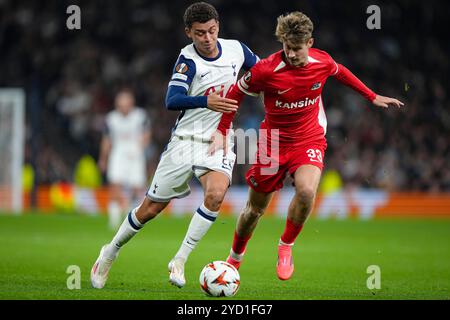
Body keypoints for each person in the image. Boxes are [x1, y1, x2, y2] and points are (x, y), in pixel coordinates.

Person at [208, 11, 403, 280]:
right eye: (287, 47)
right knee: (255, 210)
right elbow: (235, 93)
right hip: (272, 143)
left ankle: (285, 245)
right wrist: (221, 130)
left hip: (308, 138)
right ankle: (235, 257)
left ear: (309, 43)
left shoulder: (321, 61)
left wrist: (371, 96)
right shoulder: (265, 69)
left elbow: (341, 72)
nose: (291, 54)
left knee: (307, 191)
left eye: (297, 49)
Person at [91, 2, 258, 289]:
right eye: (200, 33)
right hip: (185, 141)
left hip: (219, 138)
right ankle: (110, 251)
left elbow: (263, 72)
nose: (207, 38)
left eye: (212, 31)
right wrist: (206, 100)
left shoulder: (237, 50)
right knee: (150, 209)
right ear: (188, 33)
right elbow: (172, 100)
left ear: (218, 25)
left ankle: (180, 259)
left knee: (216, 194)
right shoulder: (187, 59)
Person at [98, 88, 151, 230]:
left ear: (131, 103)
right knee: (115, 184)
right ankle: (114, 219)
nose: (123, 106)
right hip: (118, 153)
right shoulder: (111, 118)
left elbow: (146, 134)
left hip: (135, 153)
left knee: (137, 186)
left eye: (126, 103)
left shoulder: (140, 116)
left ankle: (131, 216)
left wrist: (140, 148)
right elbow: (106, 140)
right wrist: (103, 158)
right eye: (121, 103)